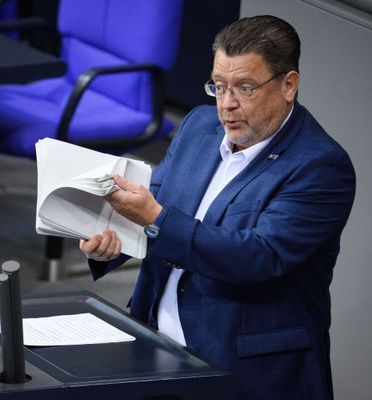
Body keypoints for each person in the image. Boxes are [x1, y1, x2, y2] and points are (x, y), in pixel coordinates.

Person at [80, 15, 356, 400]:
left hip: (245, 371)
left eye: (244, 88)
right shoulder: (198, 125)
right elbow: (155, 205)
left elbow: (257, 256)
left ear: (288, 85)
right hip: (155, 345)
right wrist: (112, 242)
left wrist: (154, 220)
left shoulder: (319, 166)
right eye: (219, 86)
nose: (226, 105)